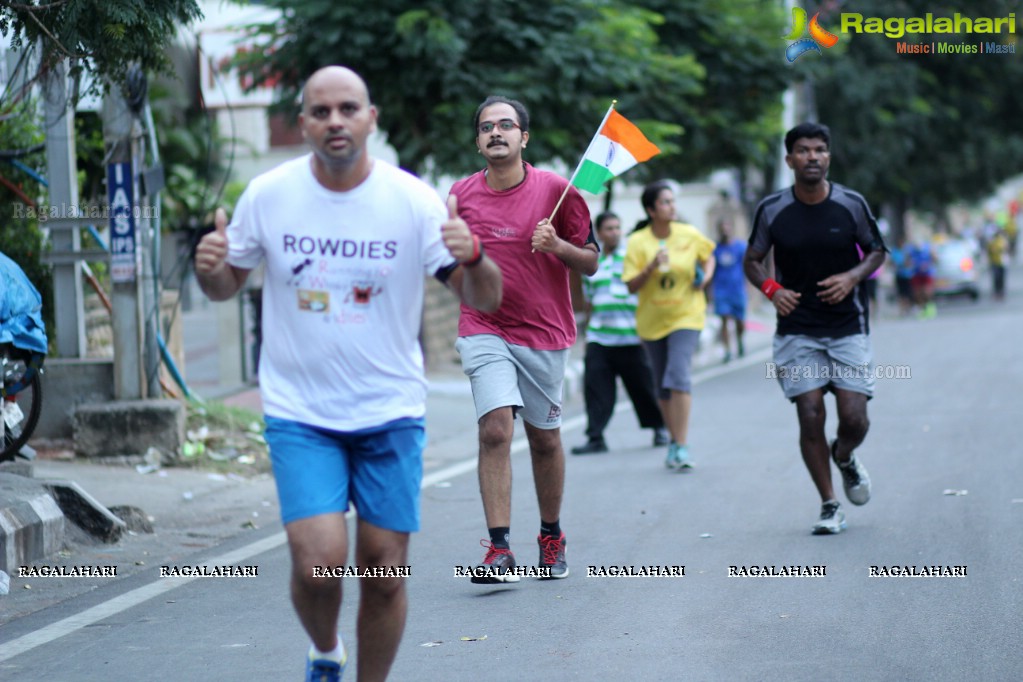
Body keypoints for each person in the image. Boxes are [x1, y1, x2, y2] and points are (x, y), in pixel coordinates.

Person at [194, 66, 502, 682]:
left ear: (370, 118)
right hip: (300, 412)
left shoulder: (410, 200)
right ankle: (327, 650)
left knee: (384, 571)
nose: (335, 120)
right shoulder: (269, 195)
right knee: (318, 565)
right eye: (321, 111)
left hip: (389, 410)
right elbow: (226, 284)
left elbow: (486, 297)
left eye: (348, 108)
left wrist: (477, 256)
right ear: (305, 122)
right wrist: (210, 267)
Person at [450, 95, 597, 583]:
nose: (496, 132)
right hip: (484, 324)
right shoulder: (461, 195)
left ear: (523, 138)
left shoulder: (558, 190)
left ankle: (551, 534)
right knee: (495, 429)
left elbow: (592, 259)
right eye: (486, 126)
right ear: (477, 140)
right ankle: (498, 549)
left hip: (544, 331)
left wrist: (558, 246)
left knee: (544, 440)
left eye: (506, 125)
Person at [743, 122, 886, 536]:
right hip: (797, 329)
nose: (812, 157)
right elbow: (753, 259)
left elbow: (877, 250)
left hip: (847, 326)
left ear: (828, 156)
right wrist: (772, 289)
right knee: (809, 414)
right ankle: (829, 504)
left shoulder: (851, 204)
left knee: (855, 419)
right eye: (803, 150)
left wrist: (853, 277)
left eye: (820, 150)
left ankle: (845, 456)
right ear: (790, 160)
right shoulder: (773, 209)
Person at [622, 180, 716, 470]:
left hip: (686, 316)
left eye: (673, 201)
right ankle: (674, 442)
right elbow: (631, 286)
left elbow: (708, 256)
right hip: (652, 321)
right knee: (662, 385)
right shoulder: (638, 242)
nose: (672, 206)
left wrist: (705, 277)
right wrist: (650, 267)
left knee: (678, 375)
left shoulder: (688, 234)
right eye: (665, 202)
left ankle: (682, 445)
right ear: (651, 209)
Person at [571, 211, 669, 455]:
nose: (614, 232)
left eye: (617, 227)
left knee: (643, 387)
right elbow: (589, 301)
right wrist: (586, 333)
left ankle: (659, 428)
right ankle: (596, 437)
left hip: (632, 337)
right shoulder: (592, 262)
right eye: (609, 228)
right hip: (599, 338)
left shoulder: (632, 256)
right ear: (600, 233)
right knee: (595, 389)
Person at [711, 218, 747, 362]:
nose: (725, 231)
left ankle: (739, 342)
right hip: (721, 290)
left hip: (737, 289)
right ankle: (727, 350)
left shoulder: (740, 247)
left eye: (727, 227)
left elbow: (748, 267)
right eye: (722, 228)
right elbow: (711, 270)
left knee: (740, 322)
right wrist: (710, 292)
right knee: (724, 320)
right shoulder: (715, 249)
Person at [888, 236, 915, 317]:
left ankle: (908, 308)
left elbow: (911, 262)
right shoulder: (895, 251)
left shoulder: (907, 251)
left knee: (908, 293)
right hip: (899, 275)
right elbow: (891, 262)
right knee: (901, 293)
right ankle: (902, 309)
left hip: (907, 275)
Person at [988, 228, 1008, 301]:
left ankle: (1000, 291)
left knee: (1000, 278)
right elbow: (990, 251)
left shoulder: (1002, 242)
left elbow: (1005, 250)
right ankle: (997, 291)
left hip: (1001, 262)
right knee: (997, 278)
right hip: (995, 262)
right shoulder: (992, 242)